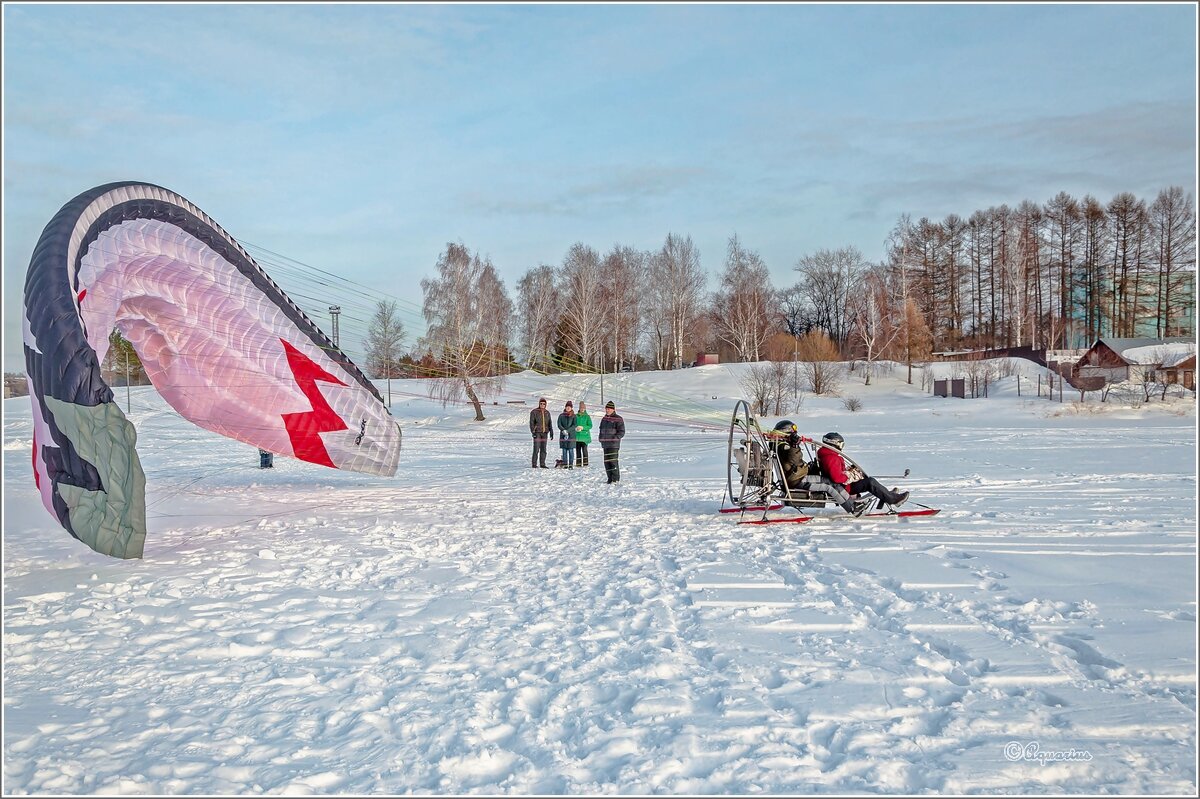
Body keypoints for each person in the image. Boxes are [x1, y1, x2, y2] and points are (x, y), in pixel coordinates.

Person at [816, 431, 908, 515]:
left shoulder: (828, 454)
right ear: (835, 443)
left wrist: (848, 471)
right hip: (843, 488)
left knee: (868, 480)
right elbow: (837, 478)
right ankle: (893, 499)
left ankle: (886, 495)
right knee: (870, 482)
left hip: (842, 486)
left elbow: (835, 472)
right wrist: (850, 476)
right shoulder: (831, 457)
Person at [598, 400, 625, 483]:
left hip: (613, 445)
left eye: (609, 409)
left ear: (613, 409)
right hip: (605, 444)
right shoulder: (604, 419)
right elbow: (601, 429)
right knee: (607, 462)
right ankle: (609, 478)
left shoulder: (618, 419)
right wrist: (600, 437)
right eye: (606, 409)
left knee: (613, 461)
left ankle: (615, 479)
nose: (607, 410)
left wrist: (615, 438)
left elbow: (622, 432)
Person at [529, 398, 553, 468]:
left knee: (543, 449)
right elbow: (531, 423)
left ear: (546, 405)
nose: (542, 405)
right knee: (536, 448)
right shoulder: (534, 412)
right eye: (541, 403)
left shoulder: (547, 412)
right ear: (539, 404)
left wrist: (551, 432)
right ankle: (534, 464)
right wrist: (533, 431)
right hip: (537, 433)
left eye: (544, 404)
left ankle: (542, 464)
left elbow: (550, 423)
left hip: (545, 433)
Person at [557, 401, 577, 468]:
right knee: (564, 450)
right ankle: (565, 464)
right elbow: (559, 424)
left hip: (571, 435)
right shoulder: (561, 415)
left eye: (569, 407)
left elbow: (575, 425)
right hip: (563, 434)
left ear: (571, 408)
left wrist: (568, 431)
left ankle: (571, 464)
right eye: (567, 407)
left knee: (571, 450)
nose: (568, 408)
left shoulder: (574, 416)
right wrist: (563, 430)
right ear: (565, 407)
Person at [574, 401, 592, 467]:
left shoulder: (587, 416)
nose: (582, 409)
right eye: (581, 408)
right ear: (579, 408)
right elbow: (573, 424)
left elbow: (590, 425)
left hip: (585, 437)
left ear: (585, 409)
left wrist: (583, 427)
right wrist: (575, 428)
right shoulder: (575, 416)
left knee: (584, 451)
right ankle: (578, 464)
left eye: (583, 408)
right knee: (578, 451)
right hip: (577, 437)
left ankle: (585, 464)